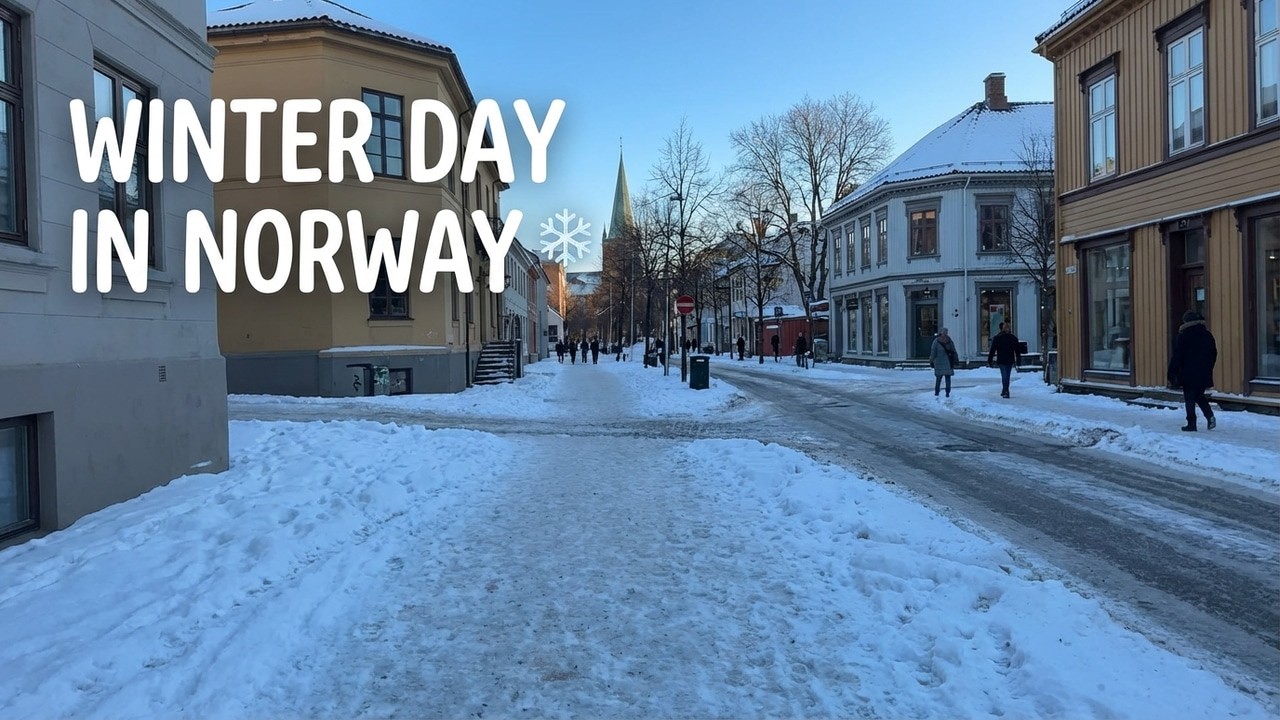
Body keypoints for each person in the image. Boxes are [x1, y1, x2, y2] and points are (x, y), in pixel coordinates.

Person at [1168, 310, 1218, 432]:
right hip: (1204, 372)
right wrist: (1208, 367)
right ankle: (1209, 416)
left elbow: (1178, 355)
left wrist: (1172, 372)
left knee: (1189, 398)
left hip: (1188, 372)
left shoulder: (1183, 336)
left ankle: (1192, 423)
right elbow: (1214, 354)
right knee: (1199, 395)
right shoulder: (1207, 335)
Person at [987, 322, 1022, 398]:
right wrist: (1018, 360)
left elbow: (992, 350)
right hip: (1009, 359)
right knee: (1007, 375)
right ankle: (1006, 390)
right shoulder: (1013, 338)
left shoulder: (997, 338)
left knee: (1004, 375)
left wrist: (990, 360)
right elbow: (1017, 350)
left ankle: (1005, 390)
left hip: (1001, 359)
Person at [929, 327, 959, 397]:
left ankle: (937, 392)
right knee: (948, 378)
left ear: (940, 333)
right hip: (948, 362)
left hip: (938, 363)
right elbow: (954, 351)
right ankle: (947, 392)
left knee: (938, 378)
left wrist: (931, 361)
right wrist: (956, 360)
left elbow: (933, 353)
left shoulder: (936, 341)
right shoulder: (949, 341)